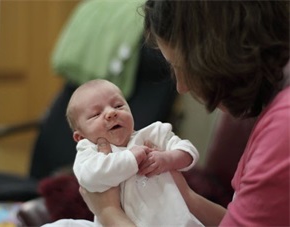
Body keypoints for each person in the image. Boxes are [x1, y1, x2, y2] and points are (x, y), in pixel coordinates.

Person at [79, 1, 290, 226]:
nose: (181, 87)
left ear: (218, 53)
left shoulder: (282, 129)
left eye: (182, 67)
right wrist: (185, 197)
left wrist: (108, 212)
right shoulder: (276, 112)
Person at [44, 79, 203, 227]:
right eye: (96, 114)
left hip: (172, 220)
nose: (111, 113)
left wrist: (168, 158)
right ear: (81, 137)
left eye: (118, 106)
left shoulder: (153, 134)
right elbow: (89, 178)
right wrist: (131, 158)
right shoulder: (89, 152)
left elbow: (189, 151)